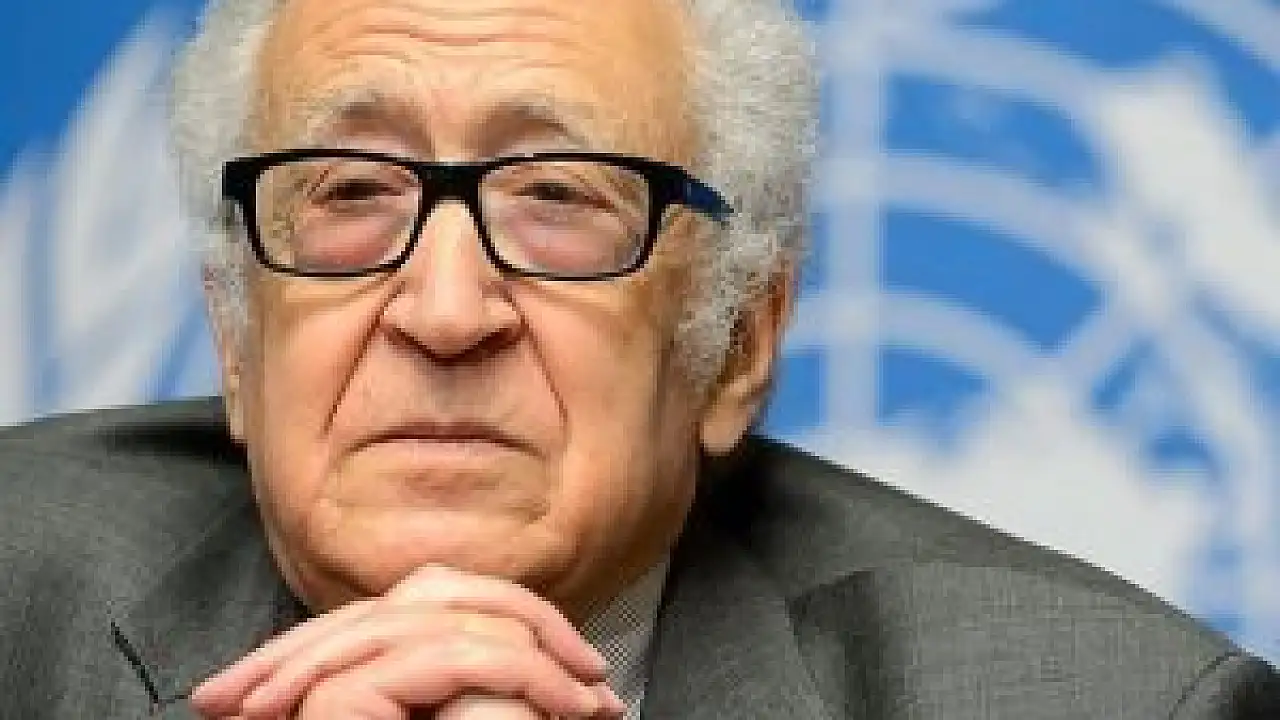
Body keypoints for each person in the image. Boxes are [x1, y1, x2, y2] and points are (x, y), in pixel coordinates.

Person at [1, 0, 1277, 717]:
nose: (444, 310)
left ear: (737, 341)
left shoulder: (1105, 703)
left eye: (559, 197)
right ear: (235, 333)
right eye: (350, 192)